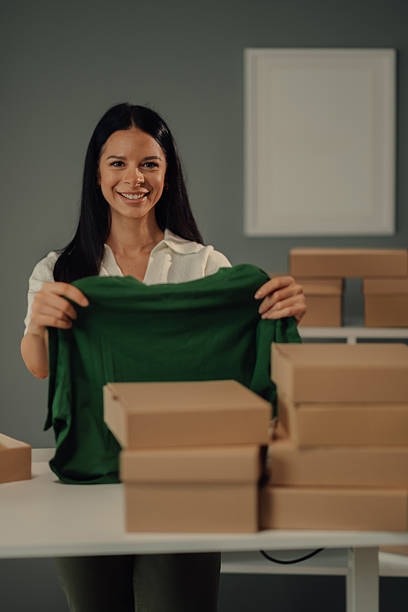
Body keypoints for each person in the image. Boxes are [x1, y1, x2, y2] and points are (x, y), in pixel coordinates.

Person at [21, 103, 306, 611]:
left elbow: (244, 359)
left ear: (167, 175)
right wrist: (42, 320)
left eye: (150, 163)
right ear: (97, 172)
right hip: (91, 476)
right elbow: (40, 364)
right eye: (118, 163)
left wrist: (282, 313)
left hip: (186, 482)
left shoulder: (206, 264)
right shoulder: (59, 269)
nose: (135, 177)